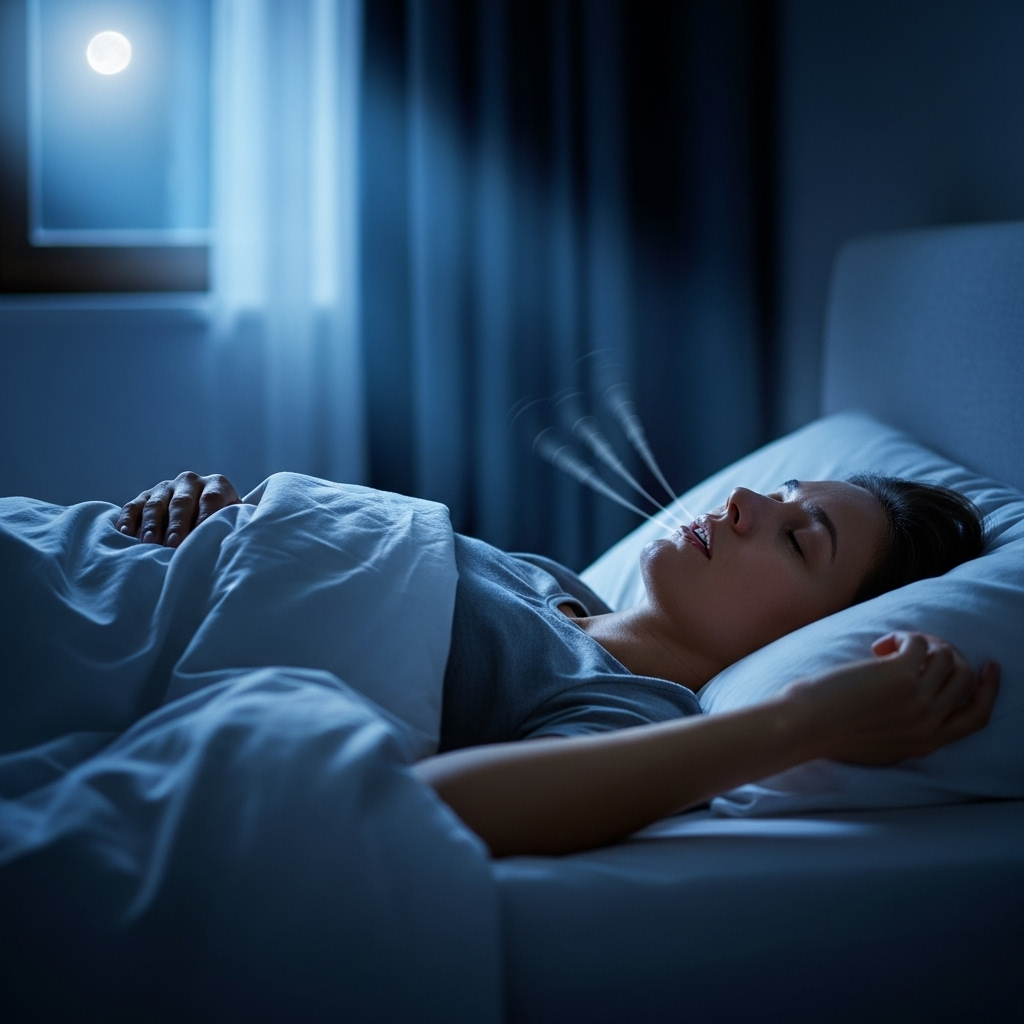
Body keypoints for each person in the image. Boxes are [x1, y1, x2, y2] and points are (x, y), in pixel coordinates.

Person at [115, 470, 1000, 858]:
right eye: (780, 492)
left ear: (805, 634)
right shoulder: (551, 582)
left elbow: (438, 806)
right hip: (94, 565)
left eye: (799, 537)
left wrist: (806, 720)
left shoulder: (633, 713)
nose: (741, 504)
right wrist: (223, 515)